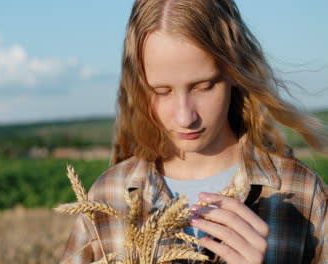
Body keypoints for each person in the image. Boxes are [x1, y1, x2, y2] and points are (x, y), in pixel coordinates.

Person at [60, 0, 327, 263]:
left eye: (203, 86)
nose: (185, 117)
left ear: (235, 70)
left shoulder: (302, 192)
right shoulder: (108, 195)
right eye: (161, 92)